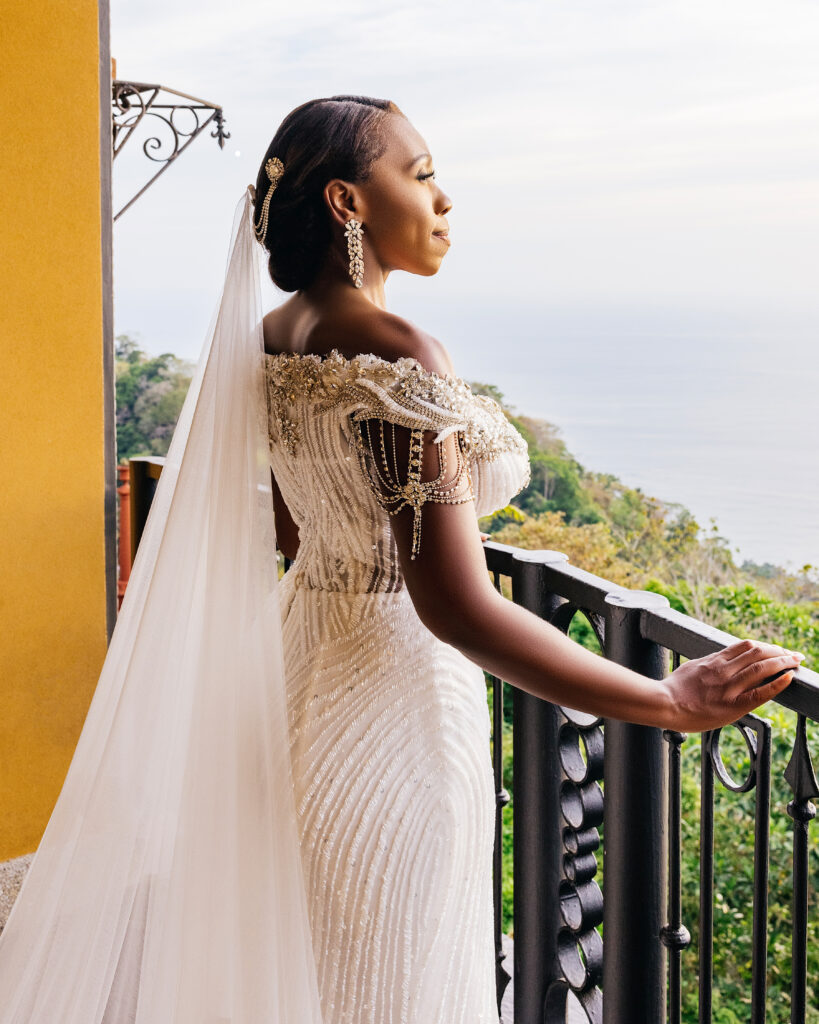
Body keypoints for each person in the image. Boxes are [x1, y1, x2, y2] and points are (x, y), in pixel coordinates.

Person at [0, 94, 802, 1024]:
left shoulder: (273, 337)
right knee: (382, 977)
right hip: (394, 714)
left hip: (292, 682)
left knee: (300, 964)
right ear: (348, 202)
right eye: (420, 174)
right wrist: (664, 700)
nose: (444, 199)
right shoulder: (397, 352)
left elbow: (302, 531)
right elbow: (455, 607)